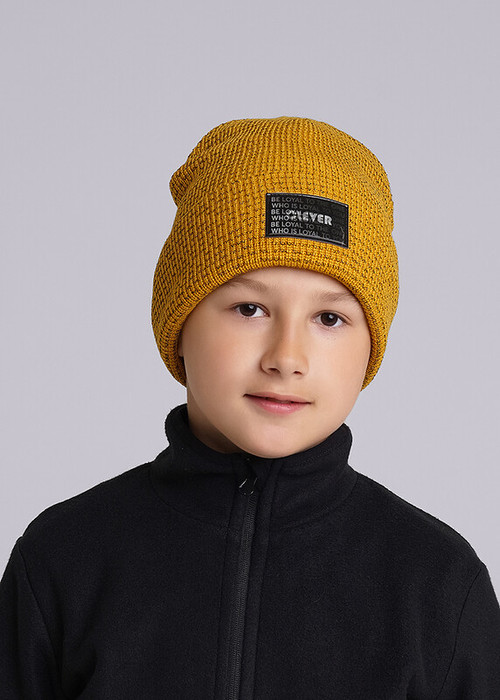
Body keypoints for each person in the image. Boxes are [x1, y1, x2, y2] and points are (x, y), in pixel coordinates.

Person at [1, 116, 499, 698]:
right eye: (249, 309)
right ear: (179, 321)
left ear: (370, 347)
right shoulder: (63, 559)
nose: (286, 357)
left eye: (330, 318)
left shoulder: (439, 585)